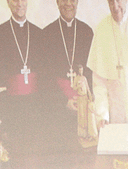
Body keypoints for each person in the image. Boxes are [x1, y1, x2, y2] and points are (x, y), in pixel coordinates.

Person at [0, 0, 45, 169]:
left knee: (35, 156)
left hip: (36, 107)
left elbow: (45, 77)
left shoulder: (39, 34)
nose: (19, 3)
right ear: (8, 3)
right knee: (14, 157)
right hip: (12, 109)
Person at [42, 0, 95, 150]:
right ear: (57, 2)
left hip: (83, 108)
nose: (68, 4)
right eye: (63, 0)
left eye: (72, 0)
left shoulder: (87, 31)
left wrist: (86, 100)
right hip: (57, 109)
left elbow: (91, 71)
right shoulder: (46, 34)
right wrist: (63, 101)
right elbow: (45, 76)